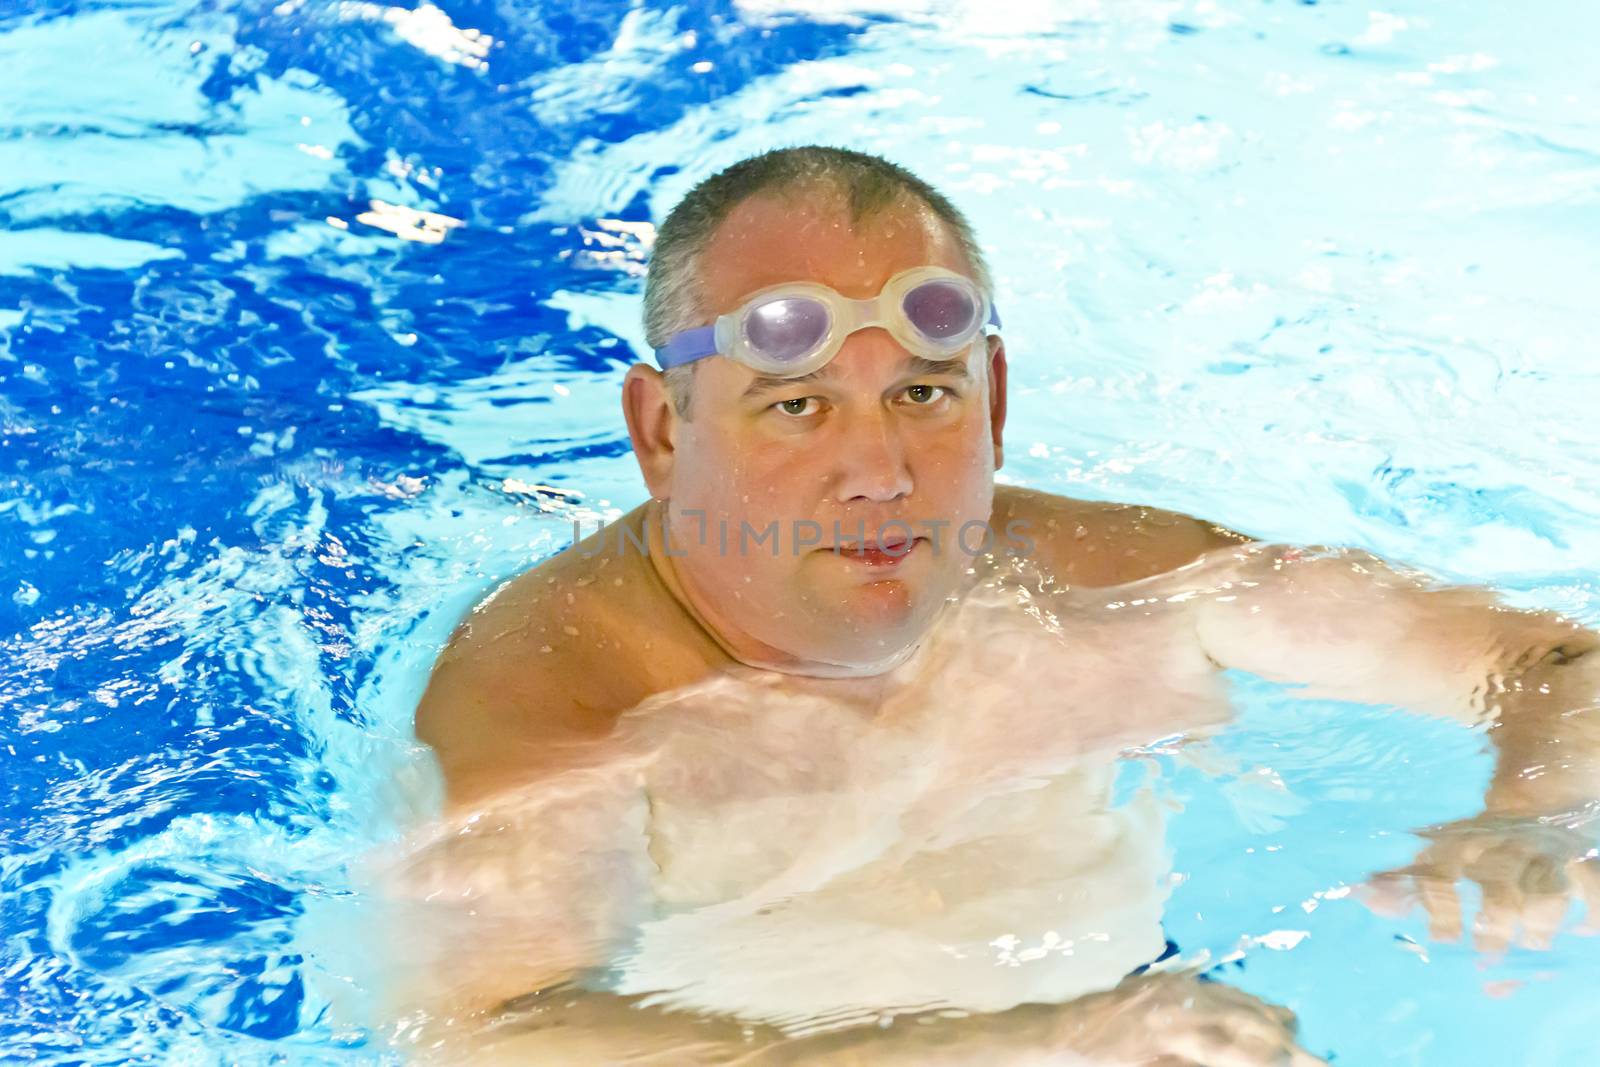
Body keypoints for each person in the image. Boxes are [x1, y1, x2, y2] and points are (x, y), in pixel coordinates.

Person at [385, 147, 1600, 1064]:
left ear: (997, 393)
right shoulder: (561, 708)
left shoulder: (1102, 584)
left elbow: (1554, 658)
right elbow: (481, 1034)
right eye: (797, 406)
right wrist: (1036, 1043)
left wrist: (1536, 818)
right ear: (662, 429)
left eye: (923, 394)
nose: (879, 470)